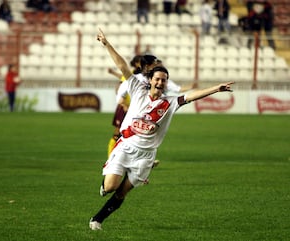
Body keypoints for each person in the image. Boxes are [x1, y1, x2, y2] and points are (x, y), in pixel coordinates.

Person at [89, 29, 234, 230]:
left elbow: (192, 96)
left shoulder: (170, 102)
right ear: (150, 80)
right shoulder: (137, 90)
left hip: (146, 155)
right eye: (157, 79)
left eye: (163, 80)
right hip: (126, 146)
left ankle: (97, 220)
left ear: (166, 84)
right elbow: (122, 65)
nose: (160, 82)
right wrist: (106, 44)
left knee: (122, 192)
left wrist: (215, 89)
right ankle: (104, 187)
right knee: (110, 187)